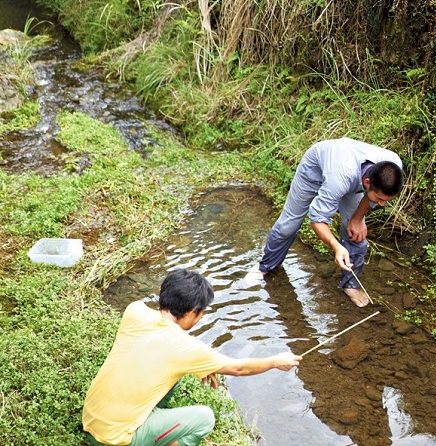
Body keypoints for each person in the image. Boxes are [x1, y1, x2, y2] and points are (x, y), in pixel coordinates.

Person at [82, 268, 301, 446]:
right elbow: (239, 368)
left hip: (91, 420)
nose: (201, 317)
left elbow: (160, 350)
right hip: (113, 439)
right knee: (204, 418)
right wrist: (274, 361)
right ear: (192, 311)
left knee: (173, 379)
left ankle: (154, 425)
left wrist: (202, 366)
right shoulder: (185, 346)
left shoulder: (135, 311)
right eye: (202, 312)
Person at [252, 137, 403, 307]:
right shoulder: (338, 178)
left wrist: (357, 219)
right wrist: (336, 246)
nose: (382, 204)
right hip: (315, 171)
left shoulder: (393, 165)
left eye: (387, 200)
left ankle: (350, 284)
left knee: (357, 234)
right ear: (368, 183)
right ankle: (264, 267)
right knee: (289, 225)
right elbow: (317, 219)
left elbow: (371, 198)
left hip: (351, 177)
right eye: (380, 199)